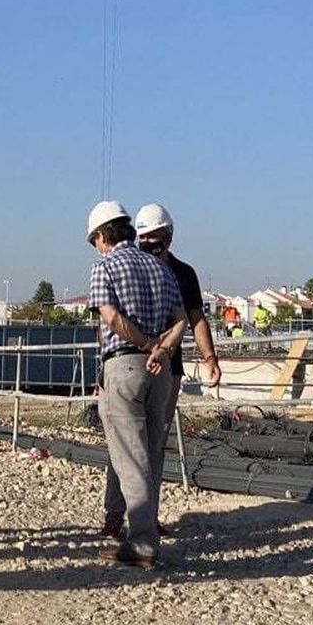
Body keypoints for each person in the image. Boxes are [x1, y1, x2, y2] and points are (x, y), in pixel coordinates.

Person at [99, 203, 221, 540]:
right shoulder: (136, 266)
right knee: (123, 447)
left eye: (158, 237)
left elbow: (194, 317)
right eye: (148, 237)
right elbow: (108, 321)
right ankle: (117, 514)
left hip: (164, 368)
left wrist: (208, 357)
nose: (154, 243)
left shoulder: (180, 273)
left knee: (150, 447)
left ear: (169, 236)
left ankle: (145, 521)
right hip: (141, 363)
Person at [84, 201, 186, 569]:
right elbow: (181, 320)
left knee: (129, 456)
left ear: (101, 236)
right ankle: (146, 530)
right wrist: (162, 349)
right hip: (161, 370)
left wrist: (145, 344)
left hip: (125, 364)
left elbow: (109, 317)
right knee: (152, 452)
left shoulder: (104, 268)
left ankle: (142, 542)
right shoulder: (162, 269)